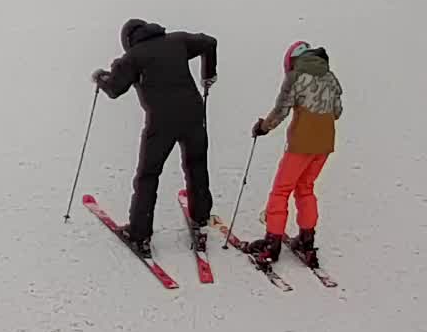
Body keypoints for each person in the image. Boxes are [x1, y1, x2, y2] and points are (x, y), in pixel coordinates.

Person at [90, 19, 219, 258]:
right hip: (193, 114)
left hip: (162, 123)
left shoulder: (133, 58)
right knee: (196, 166)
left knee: (148, 175)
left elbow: (115, 89)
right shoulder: (178, 40)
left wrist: (101, 78)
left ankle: (139, 234)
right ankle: (200, 221)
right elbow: (209, 42)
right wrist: (208, 74)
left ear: (129, 41)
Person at [243, 42, 344, 266]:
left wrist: (263, 127)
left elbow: (281, 110)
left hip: (301, 144)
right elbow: (336, 112)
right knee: (305, 188)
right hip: (325, 144)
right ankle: (307, 242)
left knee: (281, 190)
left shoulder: (296, 76)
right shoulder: (330, 77)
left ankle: (272, 244)